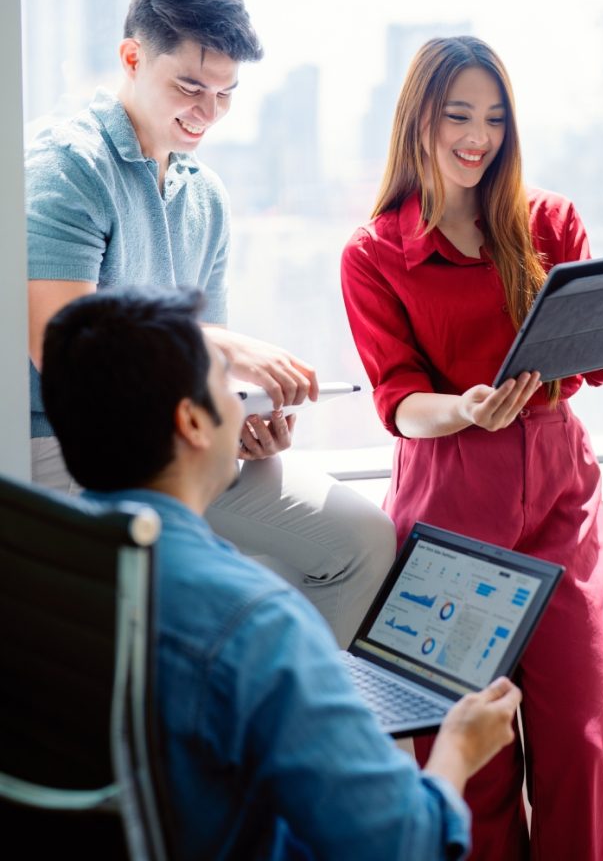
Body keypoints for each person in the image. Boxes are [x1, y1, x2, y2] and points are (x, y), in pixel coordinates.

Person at [340, 36, 603, 861]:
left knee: (578, 737)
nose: (478, 135)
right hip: (451, 506)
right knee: (473, 749)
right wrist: (465, 409)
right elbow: (400, 403)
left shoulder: (547, 222)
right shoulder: (373, 252)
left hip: (559, 493)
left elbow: (596, 355)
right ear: (418, 119)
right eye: (458, 114)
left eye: (494, 118)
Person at [40, 285, 523, 860]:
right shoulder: (256, 623)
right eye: (228, 385)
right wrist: (458, 751)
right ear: (193, 422)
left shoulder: (45, 557)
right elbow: (400, 841)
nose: (248, 402)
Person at [25, 0, 394, 647]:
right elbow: (63, 353)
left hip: (174, 438)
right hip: (64, 446)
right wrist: (224, 348)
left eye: (224, 94)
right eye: (190, 86)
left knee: (362, 541)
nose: (208, 112)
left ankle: (276, 739)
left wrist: (240, 420)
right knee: (221, 593)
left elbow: (198, 366)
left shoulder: (206, 196)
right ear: (132, 58)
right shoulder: (65, 170)